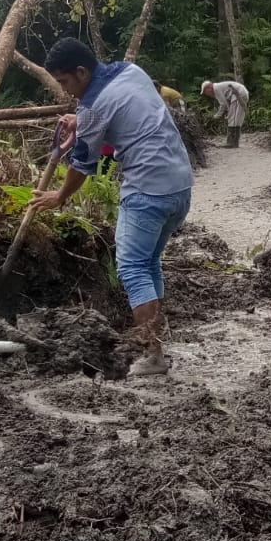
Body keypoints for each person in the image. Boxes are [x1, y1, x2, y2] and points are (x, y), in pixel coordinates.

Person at [33, 38, 193, 376]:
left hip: (147, 190)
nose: (66, 93)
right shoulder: (131, 71)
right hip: (180, 185)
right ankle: (158, 345)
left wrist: (59, 197)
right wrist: (83, 122)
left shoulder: (92, 107)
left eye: (65, 83)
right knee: (149, 263)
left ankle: (153, 355)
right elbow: (126, 114)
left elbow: (82, 165)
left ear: (81, 71)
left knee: (133, 268)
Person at [201, 78, 250, 147]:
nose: (206, 94)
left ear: (208, 87)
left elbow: (223, 104)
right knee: (236, 119)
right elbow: (226, 103)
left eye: (205, 92)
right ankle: (234, 143)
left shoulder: (216, 88)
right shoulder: (218, 87)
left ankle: (231, 143)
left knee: (233, 119)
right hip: (241, 94)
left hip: (238, 94)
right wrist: (227, 112)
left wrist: (217, 116)